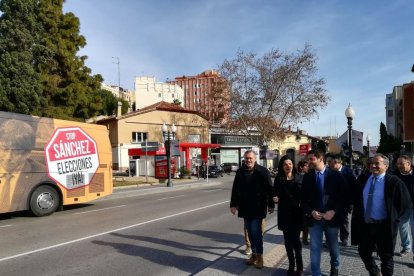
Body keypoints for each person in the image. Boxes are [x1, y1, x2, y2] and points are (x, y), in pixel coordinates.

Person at [351, 153, 412, 276]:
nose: (373, 166)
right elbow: (356, 197)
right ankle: (375, 272)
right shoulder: (364, 178)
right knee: (363, 251)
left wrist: (395, 219)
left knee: (386, 257)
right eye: (372, 163)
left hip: (384, 226)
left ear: (386, 166)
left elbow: (405, 204)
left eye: (377, 163)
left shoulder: (394, 182)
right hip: (366, 225)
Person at [301, 149, 346, 276]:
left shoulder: (335, 175)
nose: (309, 162)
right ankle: (316, 273)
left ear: (321, 159)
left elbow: (344, 198)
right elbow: (303, 200)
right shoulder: (308, 177)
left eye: (311, 159)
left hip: (331, 218)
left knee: (333, 247)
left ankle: (334, 268)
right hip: (314, 219)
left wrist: (334, 211)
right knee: (315, 247)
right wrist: (311, 211)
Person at [230, 150, 275, 269]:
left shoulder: (262, 171)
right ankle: (254, 255)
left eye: (250, 158)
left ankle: (259, 256)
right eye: (246, 158)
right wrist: (233, 204)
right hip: (245, 207)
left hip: (258, 207)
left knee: (256, 232)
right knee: (249, 232)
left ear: (255, 159)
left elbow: (270, 189)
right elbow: (235, 189)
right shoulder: (240, 172)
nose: (248, 160)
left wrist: (271, 204)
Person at [273, 155, 304, 276]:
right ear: (282, 166)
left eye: (290, 163)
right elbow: (274, 193)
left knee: (296, 241)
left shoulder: (300, 178)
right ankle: (291, 265)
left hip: (297, 214)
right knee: (287, 241)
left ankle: (300, 267)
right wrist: (274, 198)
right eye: (285, 164)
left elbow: (305, 195)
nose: (288, 166)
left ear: (293, 165)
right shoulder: (279, 179)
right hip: (284, 214)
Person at [327, 154, 356, 247]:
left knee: (344, 220)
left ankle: (344, 238)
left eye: (333, 162)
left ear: (339, 163)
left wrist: (351, 203)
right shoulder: (329, 172)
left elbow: (353, 188)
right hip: (332, 201)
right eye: (330, 162)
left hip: (344, 201)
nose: (331, 164)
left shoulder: (348, 172)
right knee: (331, 220)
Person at [394, 155, 414, 257]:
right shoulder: (395, 176)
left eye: (401, 163)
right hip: (403, 207)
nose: (399, 165)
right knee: (403, 228)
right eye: (398, 163)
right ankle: (406, 247)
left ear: (409, 164)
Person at [297, 160, 310, 245]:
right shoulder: (297, 176)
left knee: (306, 222)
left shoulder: (309, 176)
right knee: (299, 221)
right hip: (298, 203)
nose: (307, 167)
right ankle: (299, 238)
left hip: (305, 202)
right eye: (306, 166)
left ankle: (304, 238)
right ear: (301, 167)